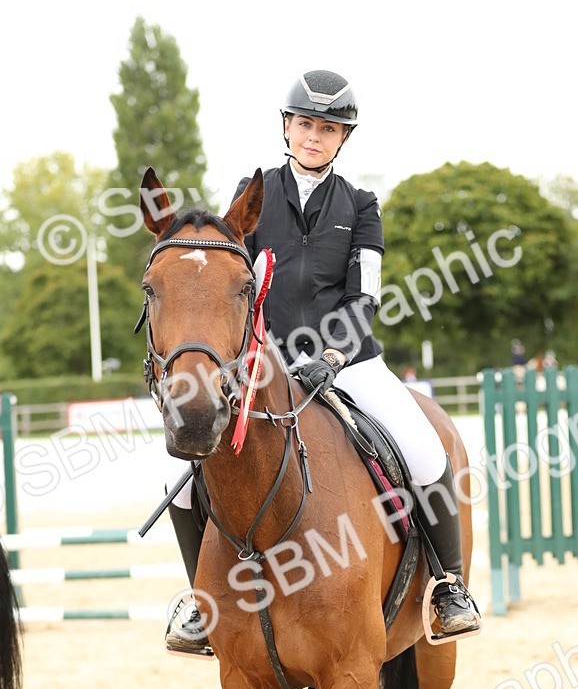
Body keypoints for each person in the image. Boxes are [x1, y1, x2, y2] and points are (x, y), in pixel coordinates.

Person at [165, 69, 479, 656]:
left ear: (343, 139)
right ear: (288, 127)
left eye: (328, 128)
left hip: (349, 360)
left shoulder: (361, 206)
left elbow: (366, 297)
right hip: (266, 364)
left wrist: (333, 356)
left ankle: (448, 586)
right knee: (177, 479)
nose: (315, 136)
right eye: (306, 124)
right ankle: (202, 604)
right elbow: (234, 284)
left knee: (425, 450)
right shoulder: (252, 195)